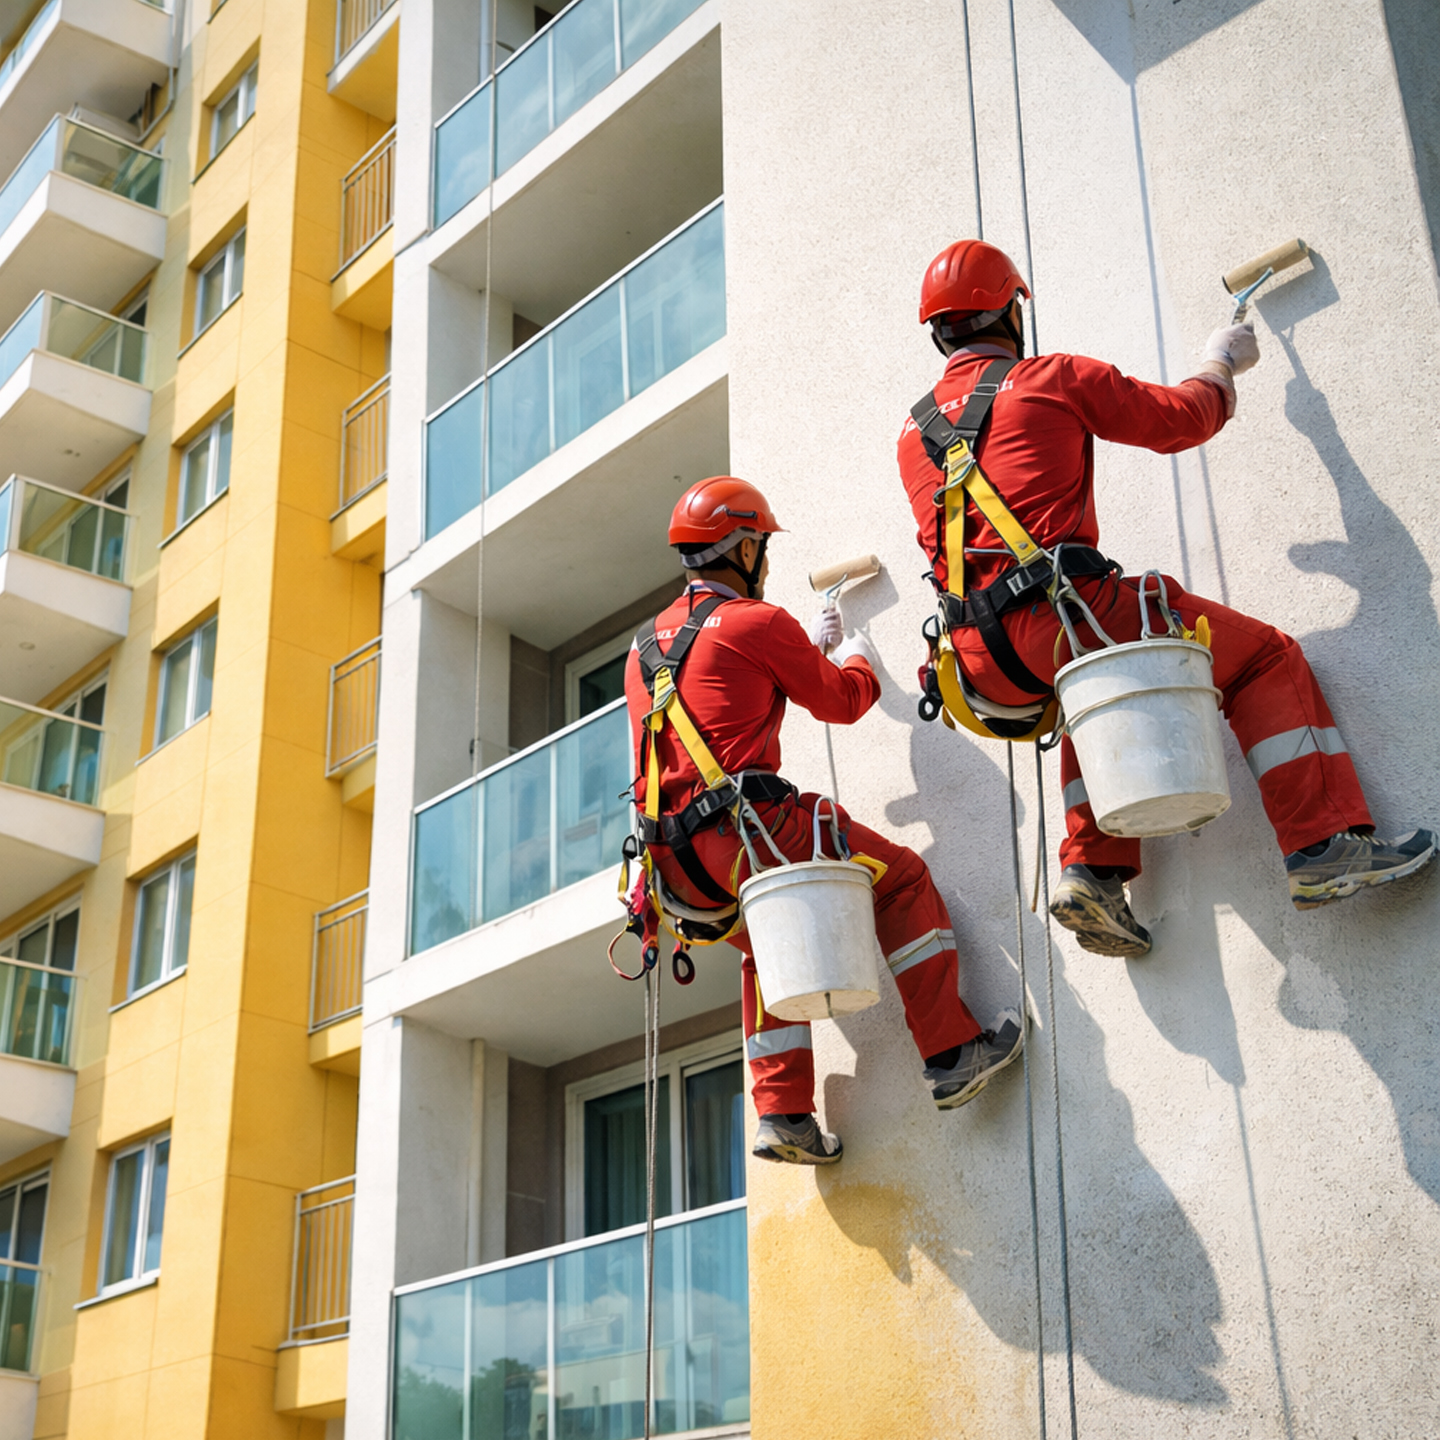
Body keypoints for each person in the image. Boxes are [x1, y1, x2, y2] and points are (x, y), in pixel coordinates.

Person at [896, 238, 1436, 958]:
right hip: (1064, 613)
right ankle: (1325, 844)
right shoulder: (1049, 377)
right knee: (1260, 659)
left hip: (975, 656)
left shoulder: (911, 432)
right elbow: (1185, 418)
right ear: (1012, 310)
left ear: (938, 330)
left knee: (1091, 684)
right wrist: (1222, 362)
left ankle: (1090, 872)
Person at [623, 475, 1022, 1165]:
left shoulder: (642, 650)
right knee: (899, 881)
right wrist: (853, 653)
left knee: (763, 945)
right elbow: (842, 702)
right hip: (750, 832)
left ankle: (782, 1115)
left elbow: (714, 698)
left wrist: (802, 644)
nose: (768, 563)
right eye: (763, 548)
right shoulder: (757, 621)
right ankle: (953, 1051)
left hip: (675, 865)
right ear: (743, 547)